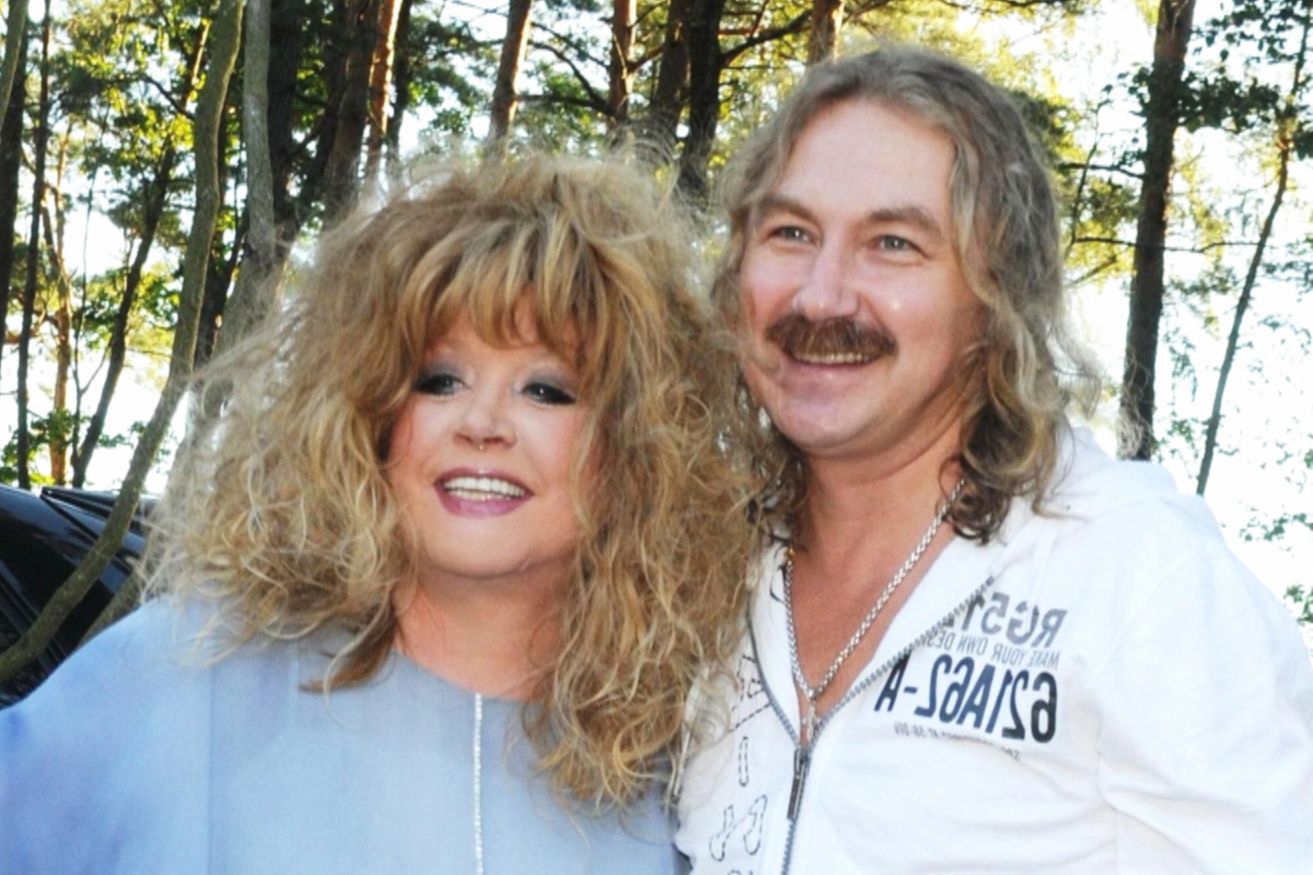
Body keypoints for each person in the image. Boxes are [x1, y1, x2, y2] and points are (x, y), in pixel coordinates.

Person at [1, 154, 757, 873]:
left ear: (637, 448)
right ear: (374, 415)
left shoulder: (688, 767)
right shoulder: (188, 673)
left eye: (546, 390)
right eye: (440, 380)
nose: (482, 422)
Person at [675, 45, 1313, 873]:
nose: (821, 295)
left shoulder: (1132, 573)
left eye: (893, 243)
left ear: (996, 296)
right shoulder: (695, 573)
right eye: (790, 233)